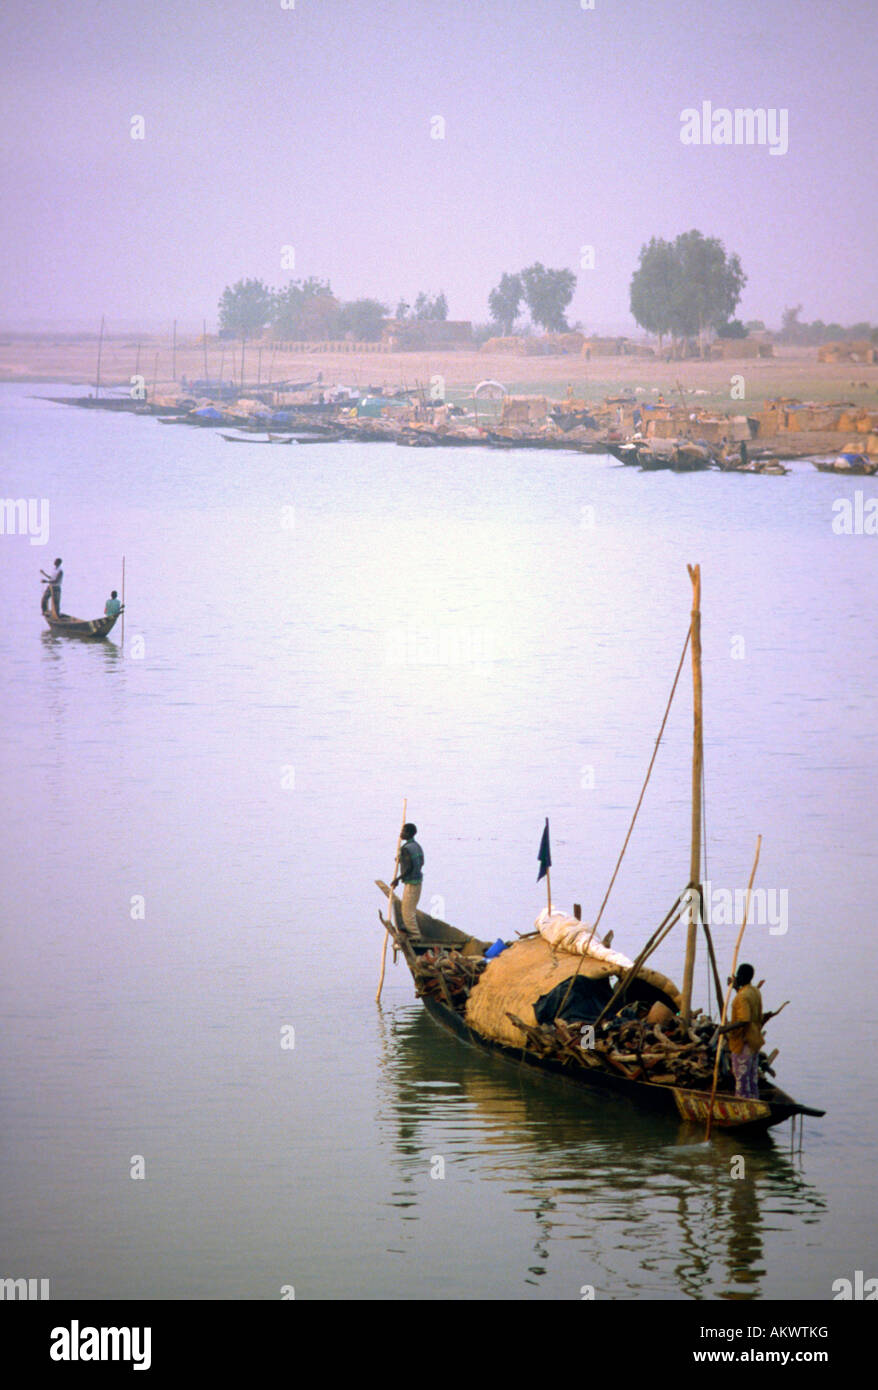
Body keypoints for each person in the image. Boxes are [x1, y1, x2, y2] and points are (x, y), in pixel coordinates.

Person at [727, 963, 764, 1099]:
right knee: (751, 1078)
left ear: (742, 977)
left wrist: (724, 1029)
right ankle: (754, 1100)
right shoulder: (754, 991)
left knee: (741, 1079)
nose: (736, 977)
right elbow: (746, 1004)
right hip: (754, 1041)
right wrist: (736, 987)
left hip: (744, 1043)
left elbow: (744, 1020)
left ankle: (743, 1103)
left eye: (738, 976)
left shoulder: (742, 996)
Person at [391, 823, 424, 935]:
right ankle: (414, 933)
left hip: (411, 883)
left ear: (409, 834)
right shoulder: (416, 846)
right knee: (410, 908)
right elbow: (421, 862)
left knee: (407, 912)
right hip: (418, 882)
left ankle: (415, 935)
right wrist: (401, 860)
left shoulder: (405, 849)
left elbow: (409, 867)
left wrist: (397, 879)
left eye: (403, 831)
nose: (401, 833)